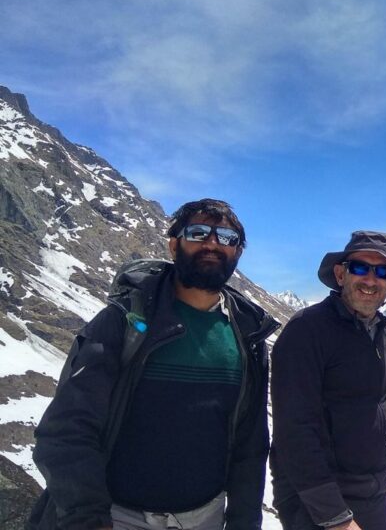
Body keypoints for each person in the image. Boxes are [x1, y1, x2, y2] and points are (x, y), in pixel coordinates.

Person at [31, 198, 279, 530]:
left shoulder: (247, 335)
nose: (213, 244)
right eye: (199, 232)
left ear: (238, 252)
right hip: (117, 515)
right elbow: (66, 428)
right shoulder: (123, 322)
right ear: (173, 243)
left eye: (227, 238)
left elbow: (250, 444)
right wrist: (87, 517)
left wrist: (244, 521)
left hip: (205, 517)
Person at [270, 231, 386, 530]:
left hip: (373, 495)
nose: (370, 280)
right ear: (340, 273)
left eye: (382, 271)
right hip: (314, 504)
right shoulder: (307, 330)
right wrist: (334, 517)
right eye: (360, 267)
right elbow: (294, 431)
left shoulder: (385, 334)